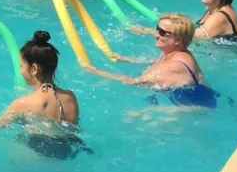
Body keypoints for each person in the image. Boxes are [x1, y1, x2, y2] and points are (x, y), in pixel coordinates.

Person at [0, 31, 90, 159]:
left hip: (35, 155)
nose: (20, 71)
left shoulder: (22, 103)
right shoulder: (70, 97)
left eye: (21, 66)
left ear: (34, 69)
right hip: (68, 154)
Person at [84, 13, 217, 108]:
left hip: (194, 108)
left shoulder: (175, 66)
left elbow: (134, 82)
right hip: (194, 97)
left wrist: (97, 71)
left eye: (162, 32)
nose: (155, 34)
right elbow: (154, 62)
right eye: (157, 29)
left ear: (178, 40)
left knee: (133, 116)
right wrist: (124, 59)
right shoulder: (173, 52)